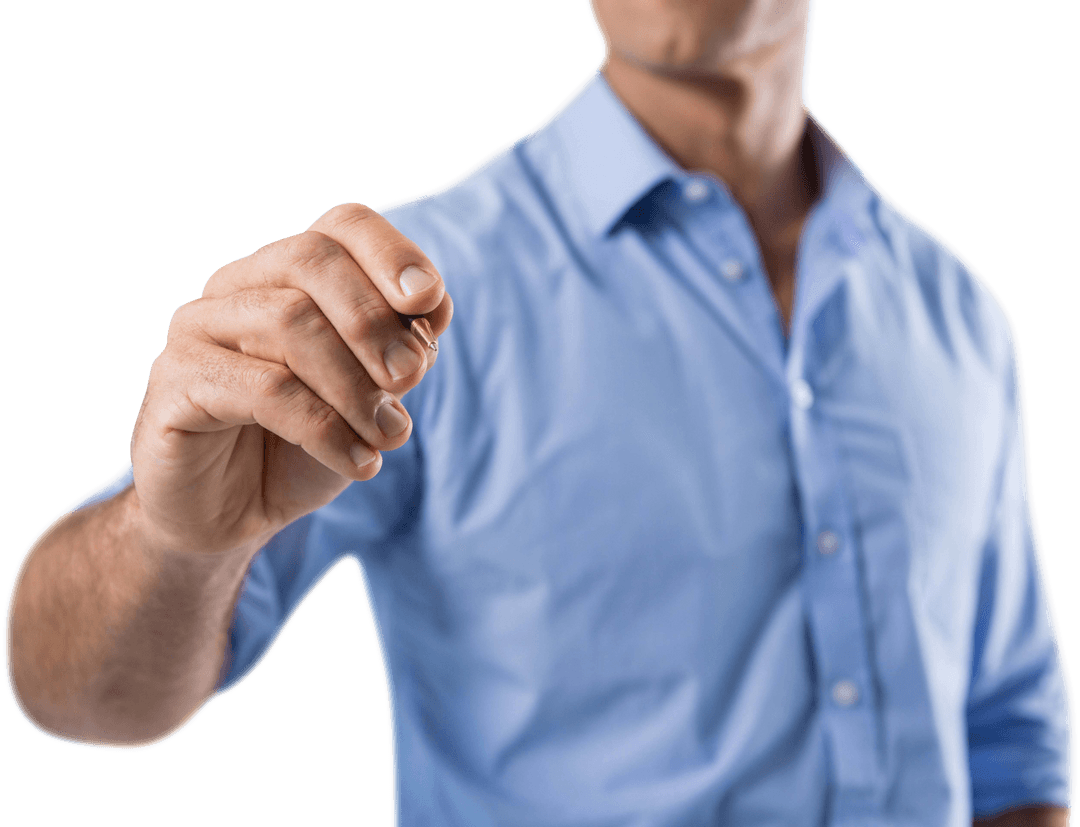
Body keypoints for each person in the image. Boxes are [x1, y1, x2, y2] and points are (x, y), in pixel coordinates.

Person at [4, 0, 1074, 823]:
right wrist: (170, 541)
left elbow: (1013, 741)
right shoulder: (398, 304)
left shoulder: (961, 315)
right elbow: (77, 693)